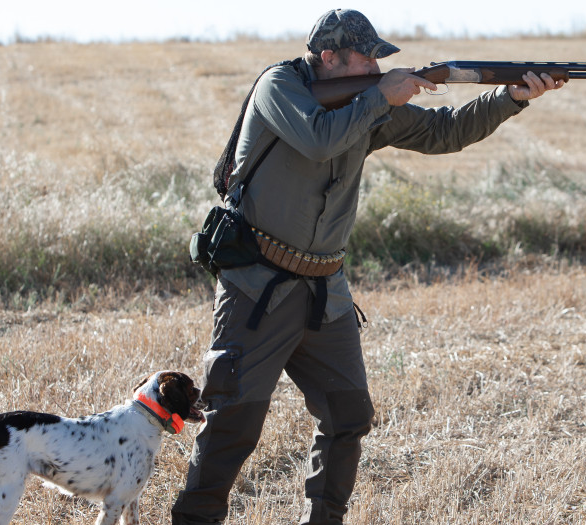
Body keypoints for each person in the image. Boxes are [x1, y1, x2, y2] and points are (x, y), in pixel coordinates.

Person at [172, 9, 563, 525]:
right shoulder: (279, 86)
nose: (376, 66)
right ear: (329, 56)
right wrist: (381, 97)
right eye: (365, 56)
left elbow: (443, 132)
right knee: (232, 425)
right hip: (258, 287)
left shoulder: (363, 102)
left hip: (325, 291)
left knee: (348, 417)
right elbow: (319, 138)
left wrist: (511, 97)